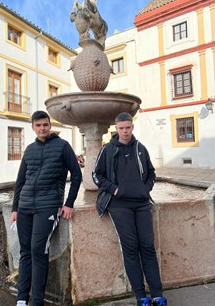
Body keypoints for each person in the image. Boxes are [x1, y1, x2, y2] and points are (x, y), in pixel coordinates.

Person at [92, 112, 167, 306]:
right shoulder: (107, 149)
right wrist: (115, 190)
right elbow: (96, 175)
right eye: (121, 128)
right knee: (131, 249)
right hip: (119, 206)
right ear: (116, 129)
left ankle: (157, 295)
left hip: (141, 204)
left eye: (128, 127)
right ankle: (141, 296)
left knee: (148, 247)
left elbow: (151, 173)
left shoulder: (140, 148)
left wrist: (145, 189)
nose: (125, 131)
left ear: (132, 127)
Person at [10, 110, 82, 306]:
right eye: (38, 125)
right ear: (33, 127)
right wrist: (15, 208)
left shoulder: (63, 146)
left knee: (38, 250)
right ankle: (22, 298)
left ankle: (37, 301)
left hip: (48, 206)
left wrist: (69, 203)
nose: (42, 128)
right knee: (25, 252)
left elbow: (77, 176)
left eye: (45, 125)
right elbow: (21, 180)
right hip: (25, 206)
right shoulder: (30, 149)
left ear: (50, 126)